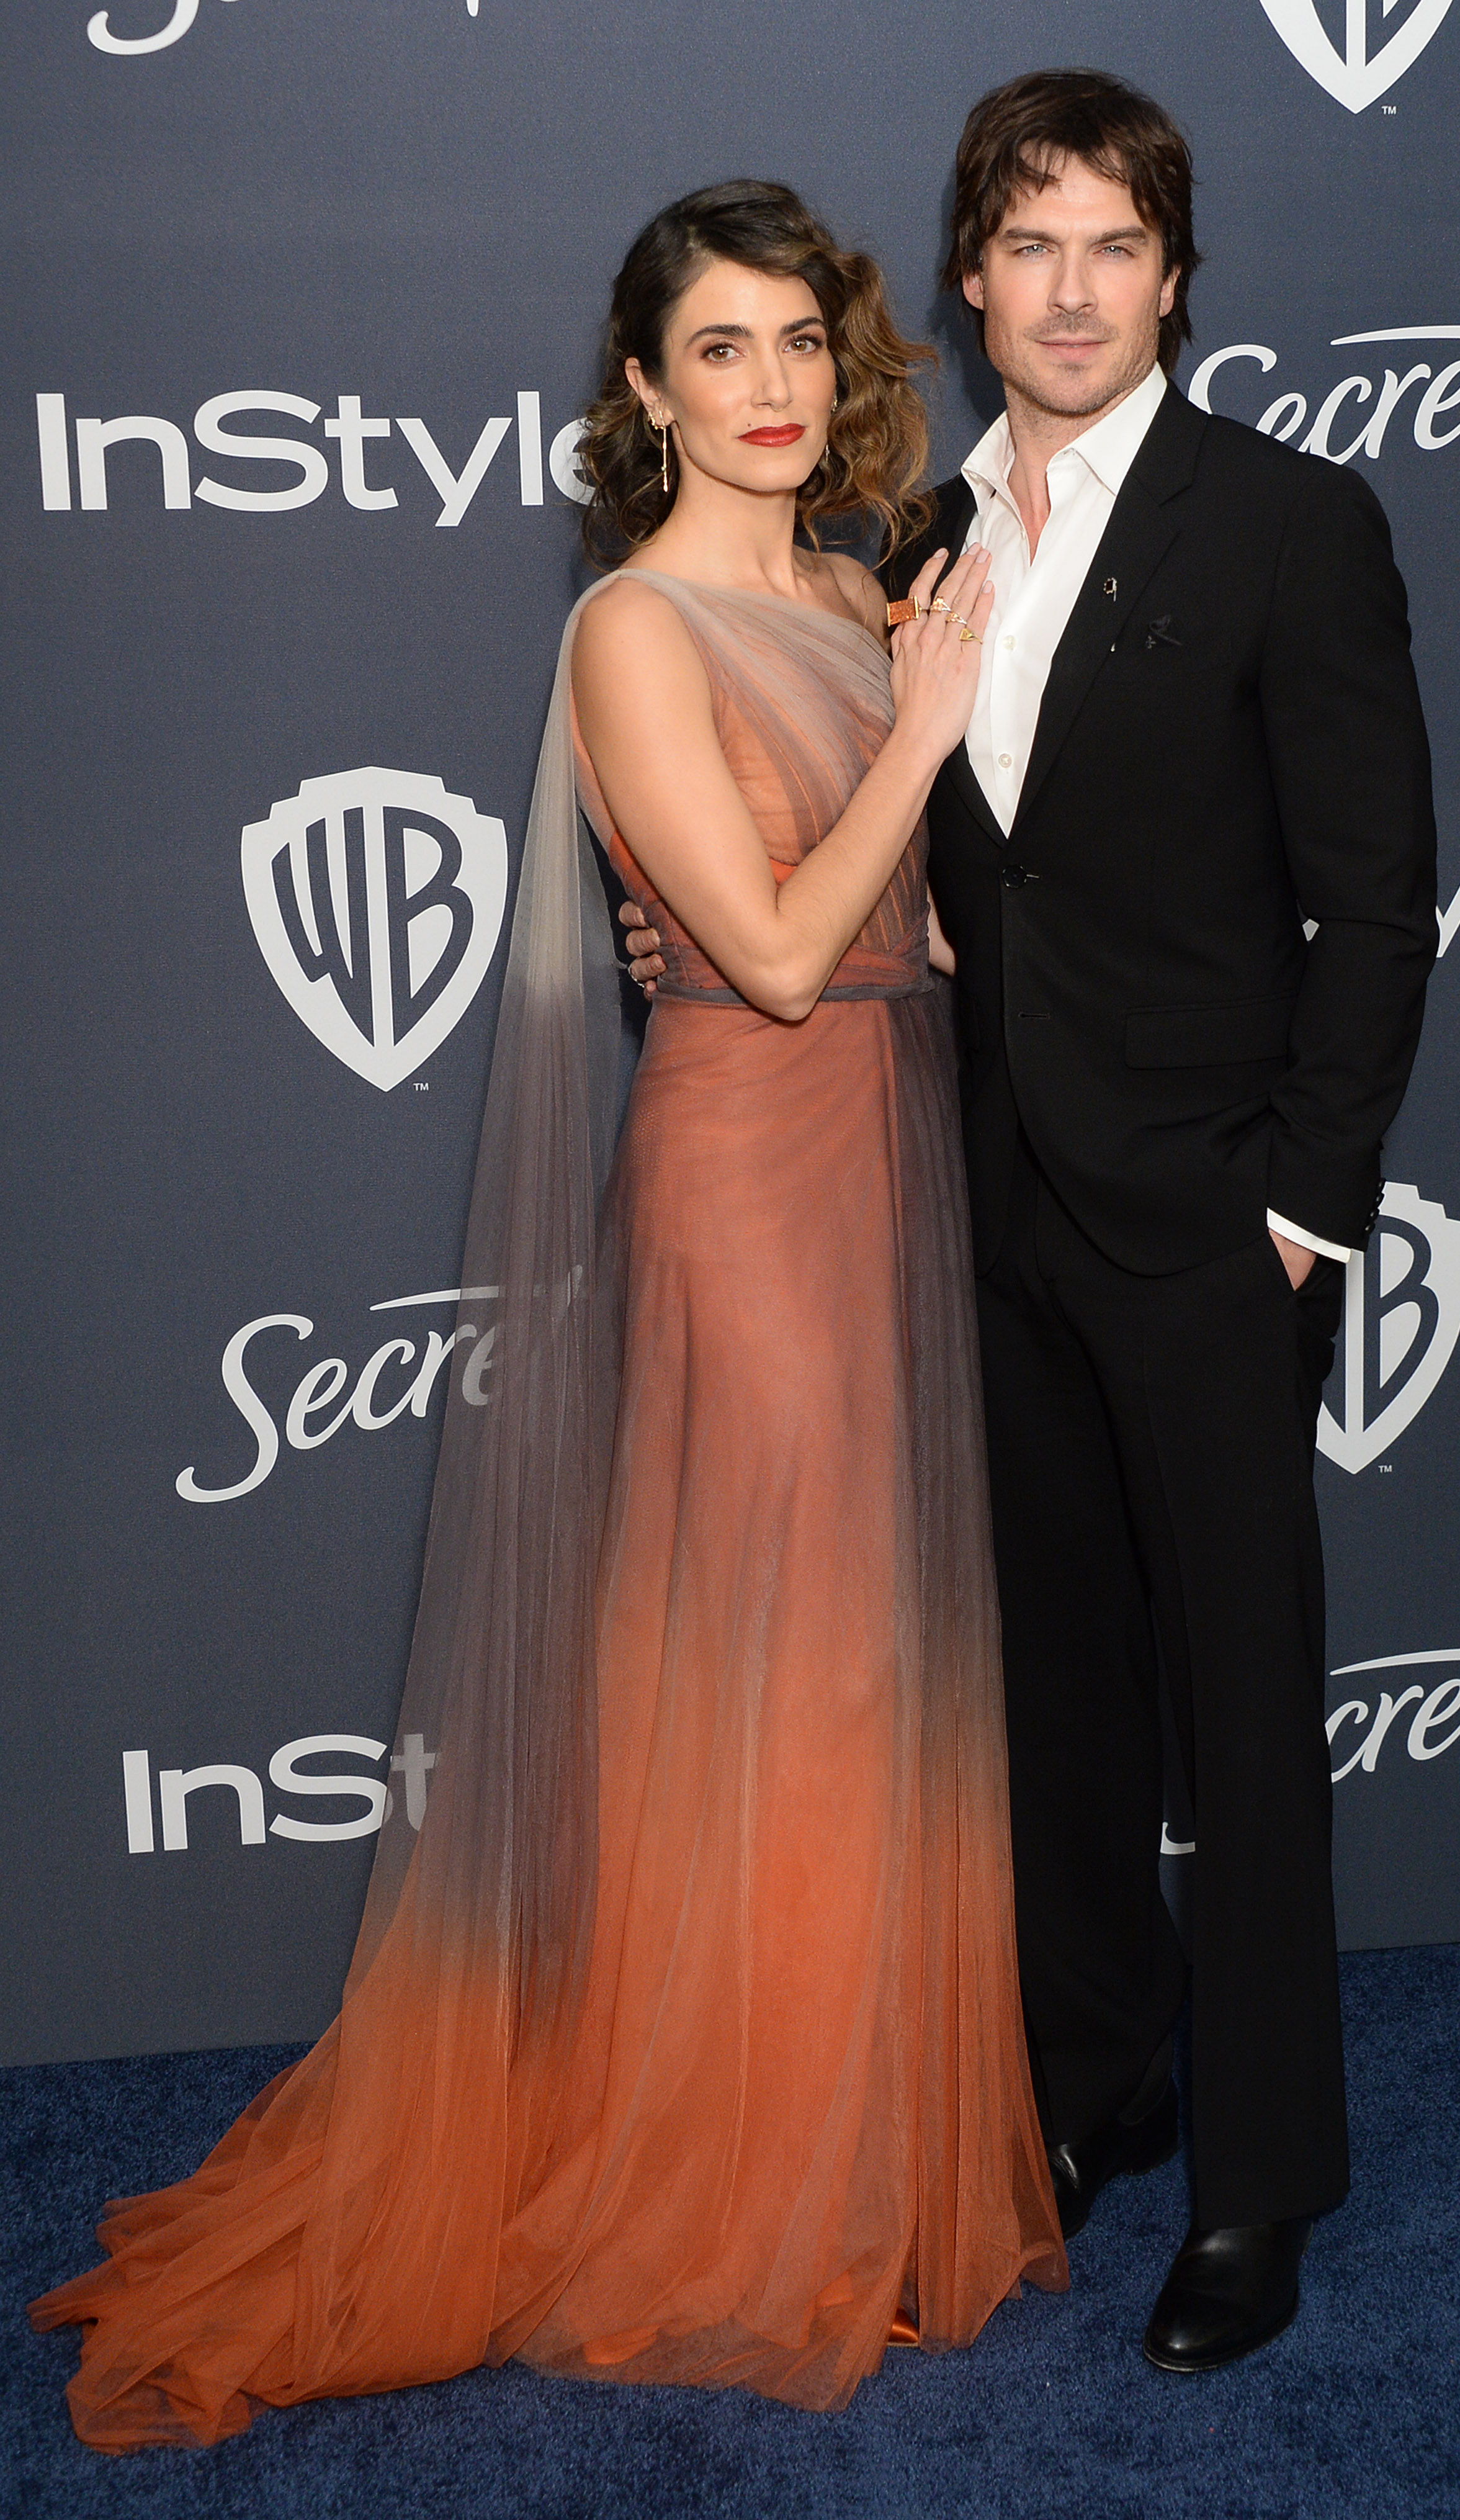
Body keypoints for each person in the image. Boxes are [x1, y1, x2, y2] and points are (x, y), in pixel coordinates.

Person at [31, 181, 1064, 2450]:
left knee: (878, 1656)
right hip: (750, 1166)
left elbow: (931, 949)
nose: (776, 388)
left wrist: (958, 716)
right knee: (778, 1648)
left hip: (896, 1152)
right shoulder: (634, 630)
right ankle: (731, 2185)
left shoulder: (843, 590)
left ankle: (847, 2152)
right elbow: (780, 953)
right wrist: (935, 708)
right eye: (721, 349)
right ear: (640, 385)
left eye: (804, 343)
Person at [634, 70, 1438, 2375]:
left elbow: (1379, 905)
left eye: (1117, 245)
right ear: (972, 282)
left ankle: (1267, 2182)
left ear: (1171, 279)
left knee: (1245, 1714)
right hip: (980, 1211)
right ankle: (1101, 2082)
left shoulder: (1292, 521)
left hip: (1207, 1230)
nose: (1072, 288)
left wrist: (1300, 1208)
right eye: (1031, 243)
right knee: (1063, 1703)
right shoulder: (910, 546)